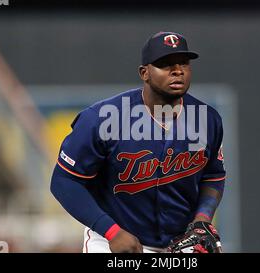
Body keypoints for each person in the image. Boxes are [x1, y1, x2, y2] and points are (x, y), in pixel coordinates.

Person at [50, 31, 226, 253]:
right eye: (165, 64)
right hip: (112, 239)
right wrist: (110, 231)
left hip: (181, 242)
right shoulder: (103, 118)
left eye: (184, 63)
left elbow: (213, 175)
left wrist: (202, 220)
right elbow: (64, 182)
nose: (177, 71)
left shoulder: (206, 119)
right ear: (145, 73)